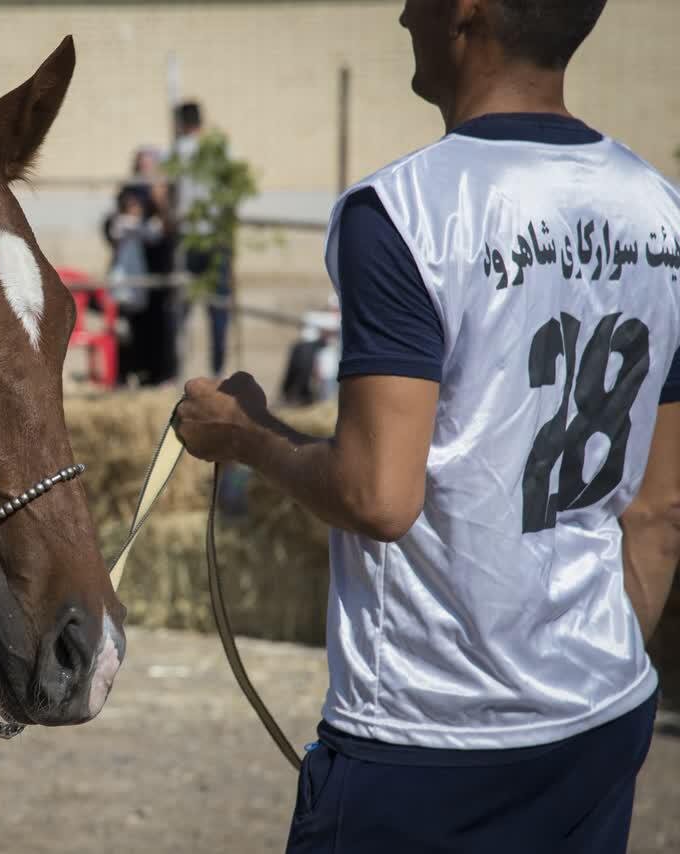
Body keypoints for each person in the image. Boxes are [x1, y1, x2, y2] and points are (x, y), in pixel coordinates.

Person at [174, 2, 680, 852]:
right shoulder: (661, 211)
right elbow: (661, 515)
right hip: (602, 714)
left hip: (426, 740)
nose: (404, 12)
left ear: (468, 10)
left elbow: (378, 497)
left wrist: (246, 433)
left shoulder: (405, 212)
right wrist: (584, 674)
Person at [104, 146, 178, 386]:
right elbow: (114, 226)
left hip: (155, 277)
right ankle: (124, 374)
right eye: (142, 165)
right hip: (129, 278)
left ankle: (155, 375)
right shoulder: (127, 200)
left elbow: (163, 232)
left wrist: (161, 201)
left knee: (156, 329)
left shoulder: (165, 193)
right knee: (127, 329)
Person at [171, 100, 232, 377]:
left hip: (188, 236)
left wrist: (169, 217)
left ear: (182, 123)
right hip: (217, 236)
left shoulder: (177, 151)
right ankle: (217, 371)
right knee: (218, 307)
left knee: (180, 305)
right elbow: (232, 191)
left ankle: (176, 368)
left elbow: (161, 189)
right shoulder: (220, 151)